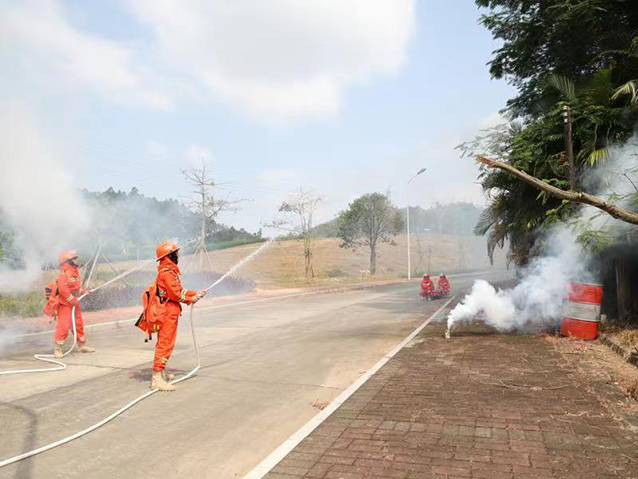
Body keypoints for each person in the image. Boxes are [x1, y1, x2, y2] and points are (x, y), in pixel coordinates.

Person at [151, 241, 206, 391]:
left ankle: (161, 372)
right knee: (165, 343)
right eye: (176, 253)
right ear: (169, 255)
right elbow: (175, 294)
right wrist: (190, 299)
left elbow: (179, 290)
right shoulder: (167, 273)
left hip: (169, 310)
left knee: (165, 342)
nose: (178, 256)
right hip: (167, 312)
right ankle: (156, 378)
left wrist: (195, 293)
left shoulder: (169, 271)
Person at [54, 250, 95, 358]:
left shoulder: (75, 272)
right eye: (74, 258)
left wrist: (83, 292)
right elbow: (63, 290)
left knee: (78, 324)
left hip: (74, 303)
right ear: (68, 261)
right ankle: (57, 349)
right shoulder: (63, 274)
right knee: (64, 326)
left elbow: (77, 286)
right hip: (65, 304)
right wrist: (72, 299)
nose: (76, 260)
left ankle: (81, 346)